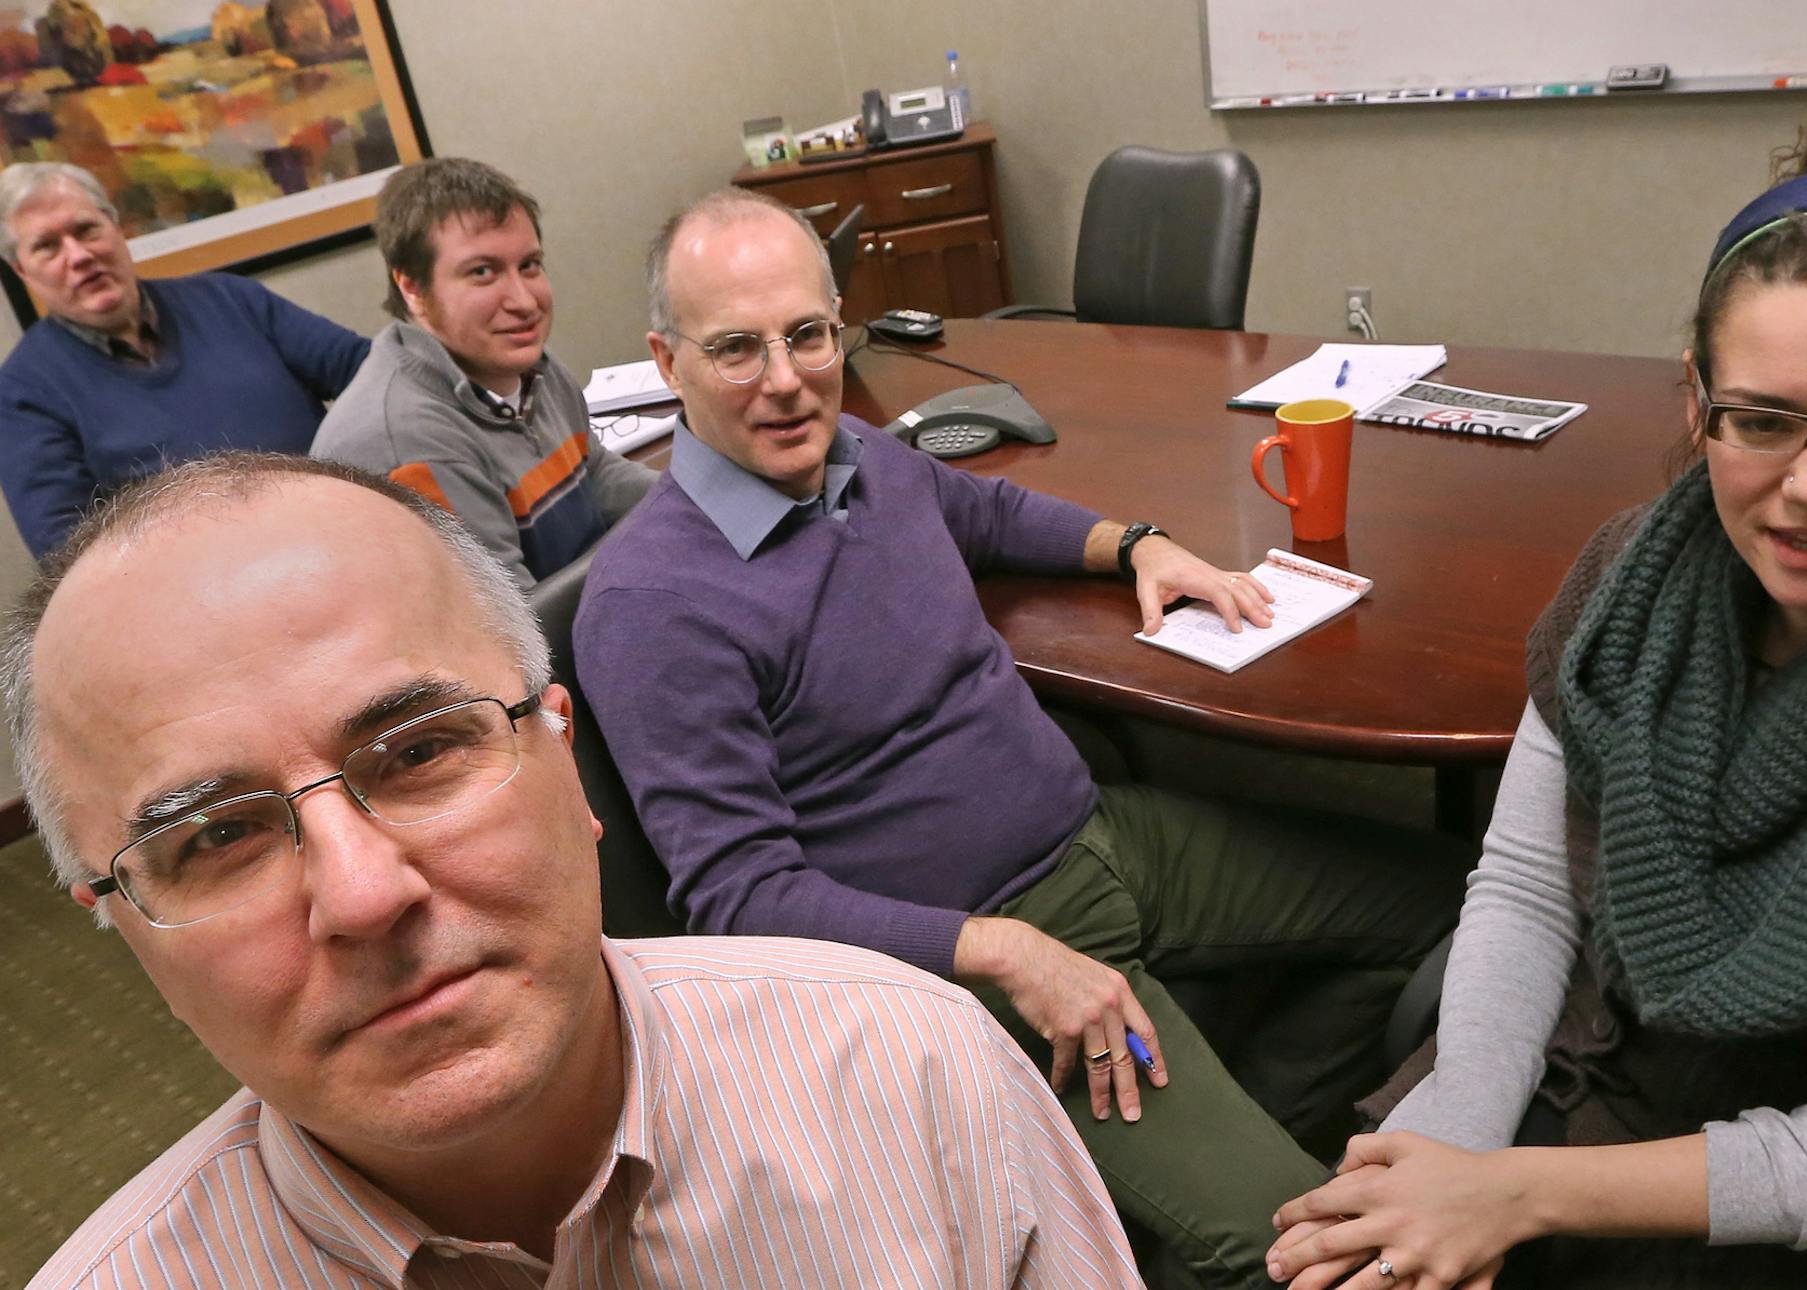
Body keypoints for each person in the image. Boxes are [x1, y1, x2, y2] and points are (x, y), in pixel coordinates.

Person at [1266, 130, 1807, 1290]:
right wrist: (1450, 1156)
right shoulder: (1626, 580)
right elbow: (1530, 890)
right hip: (1579, 1086)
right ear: (1698, 402)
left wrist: (1509, 1196)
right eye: (1765, 419)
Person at [573, 186, 1464, 1287]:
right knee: (1322, 1263)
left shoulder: (855, 455)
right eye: (736, 349)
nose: (787, 379)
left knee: (1447, 901)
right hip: (981, 950)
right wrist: (1004, 950)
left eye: (807, 335)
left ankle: (1231, 1165)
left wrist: (1136, 545)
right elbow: (739, 899)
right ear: (668, 363)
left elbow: (988, 513)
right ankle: (1232, 1205)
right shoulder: (654, 604)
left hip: (1106, 836)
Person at [6, 452, 1140, 1289]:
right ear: (123, 927)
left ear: (567, 755)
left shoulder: (921, 1075)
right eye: (217, 838)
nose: (364, 894)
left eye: (419, 751)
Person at [0, 162, 370, 558]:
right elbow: (65, 551)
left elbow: (370, 371)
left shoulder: (231, 300)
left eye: (86, 230)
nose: (79, 255)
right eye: (48, 246)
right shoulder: (22, 393)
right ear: (22, 269)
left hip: (345, 531)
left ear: (117, 227)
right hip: (209, 582)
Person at [312, 158, 652, 588]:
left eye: (529, 265)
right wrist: (660, 550)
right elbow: (517, 618)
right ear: (412, 288)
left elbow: (595, 474)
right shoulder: (408, 441)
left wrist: (704, 505)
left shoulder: (530, 369)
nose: (524, 302)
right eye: (483, 272)